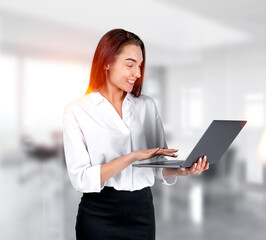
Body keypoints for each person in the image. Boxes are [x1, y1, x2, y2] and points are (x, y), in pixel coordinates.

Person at [62, 28, 209, 240]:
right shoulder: (77, 110)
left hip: (142, 213)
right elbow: (81, 179)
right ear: (106, 62)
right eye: (130, 65)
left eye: (140, 66)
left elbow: (158, 167)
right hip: (99, 215)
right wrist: (132, 156)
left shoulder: (147, 106)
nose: (138, 74)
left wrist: (182, 171)